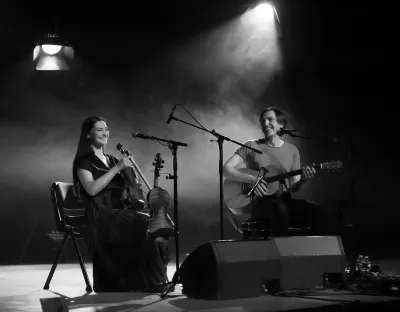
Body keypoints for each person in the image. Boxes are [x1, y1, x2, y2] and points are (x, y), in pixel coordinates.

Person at [72, 116, 170, 292]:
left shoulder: (110, 159)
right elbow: (92, 189)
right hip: (99, 214)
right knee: (143, 223)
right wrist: (117, 169)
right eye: (99, 129)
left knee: (154, 221)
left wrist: (131, 175)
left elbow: (126, 189)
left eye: (106, 129)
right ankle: (154, 281)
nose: (105, 133)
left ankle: (150, 278)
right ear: (88, 134)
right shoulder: (83, 161)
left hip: (117, 211)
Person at [223, 106, 331, 237]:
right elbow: (226, 169)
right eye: (263, 120)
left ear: (281, 124)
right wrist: (252, 179)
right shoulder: (252, 145)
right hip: (258, 202)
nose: (265, 123)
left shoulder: (292, 150)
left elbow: (293, 187)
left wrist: (303, 179)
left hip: (283, 200)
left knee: (319, 211)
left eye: (270, 120)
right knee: (280, 208)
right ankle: (281, 251)